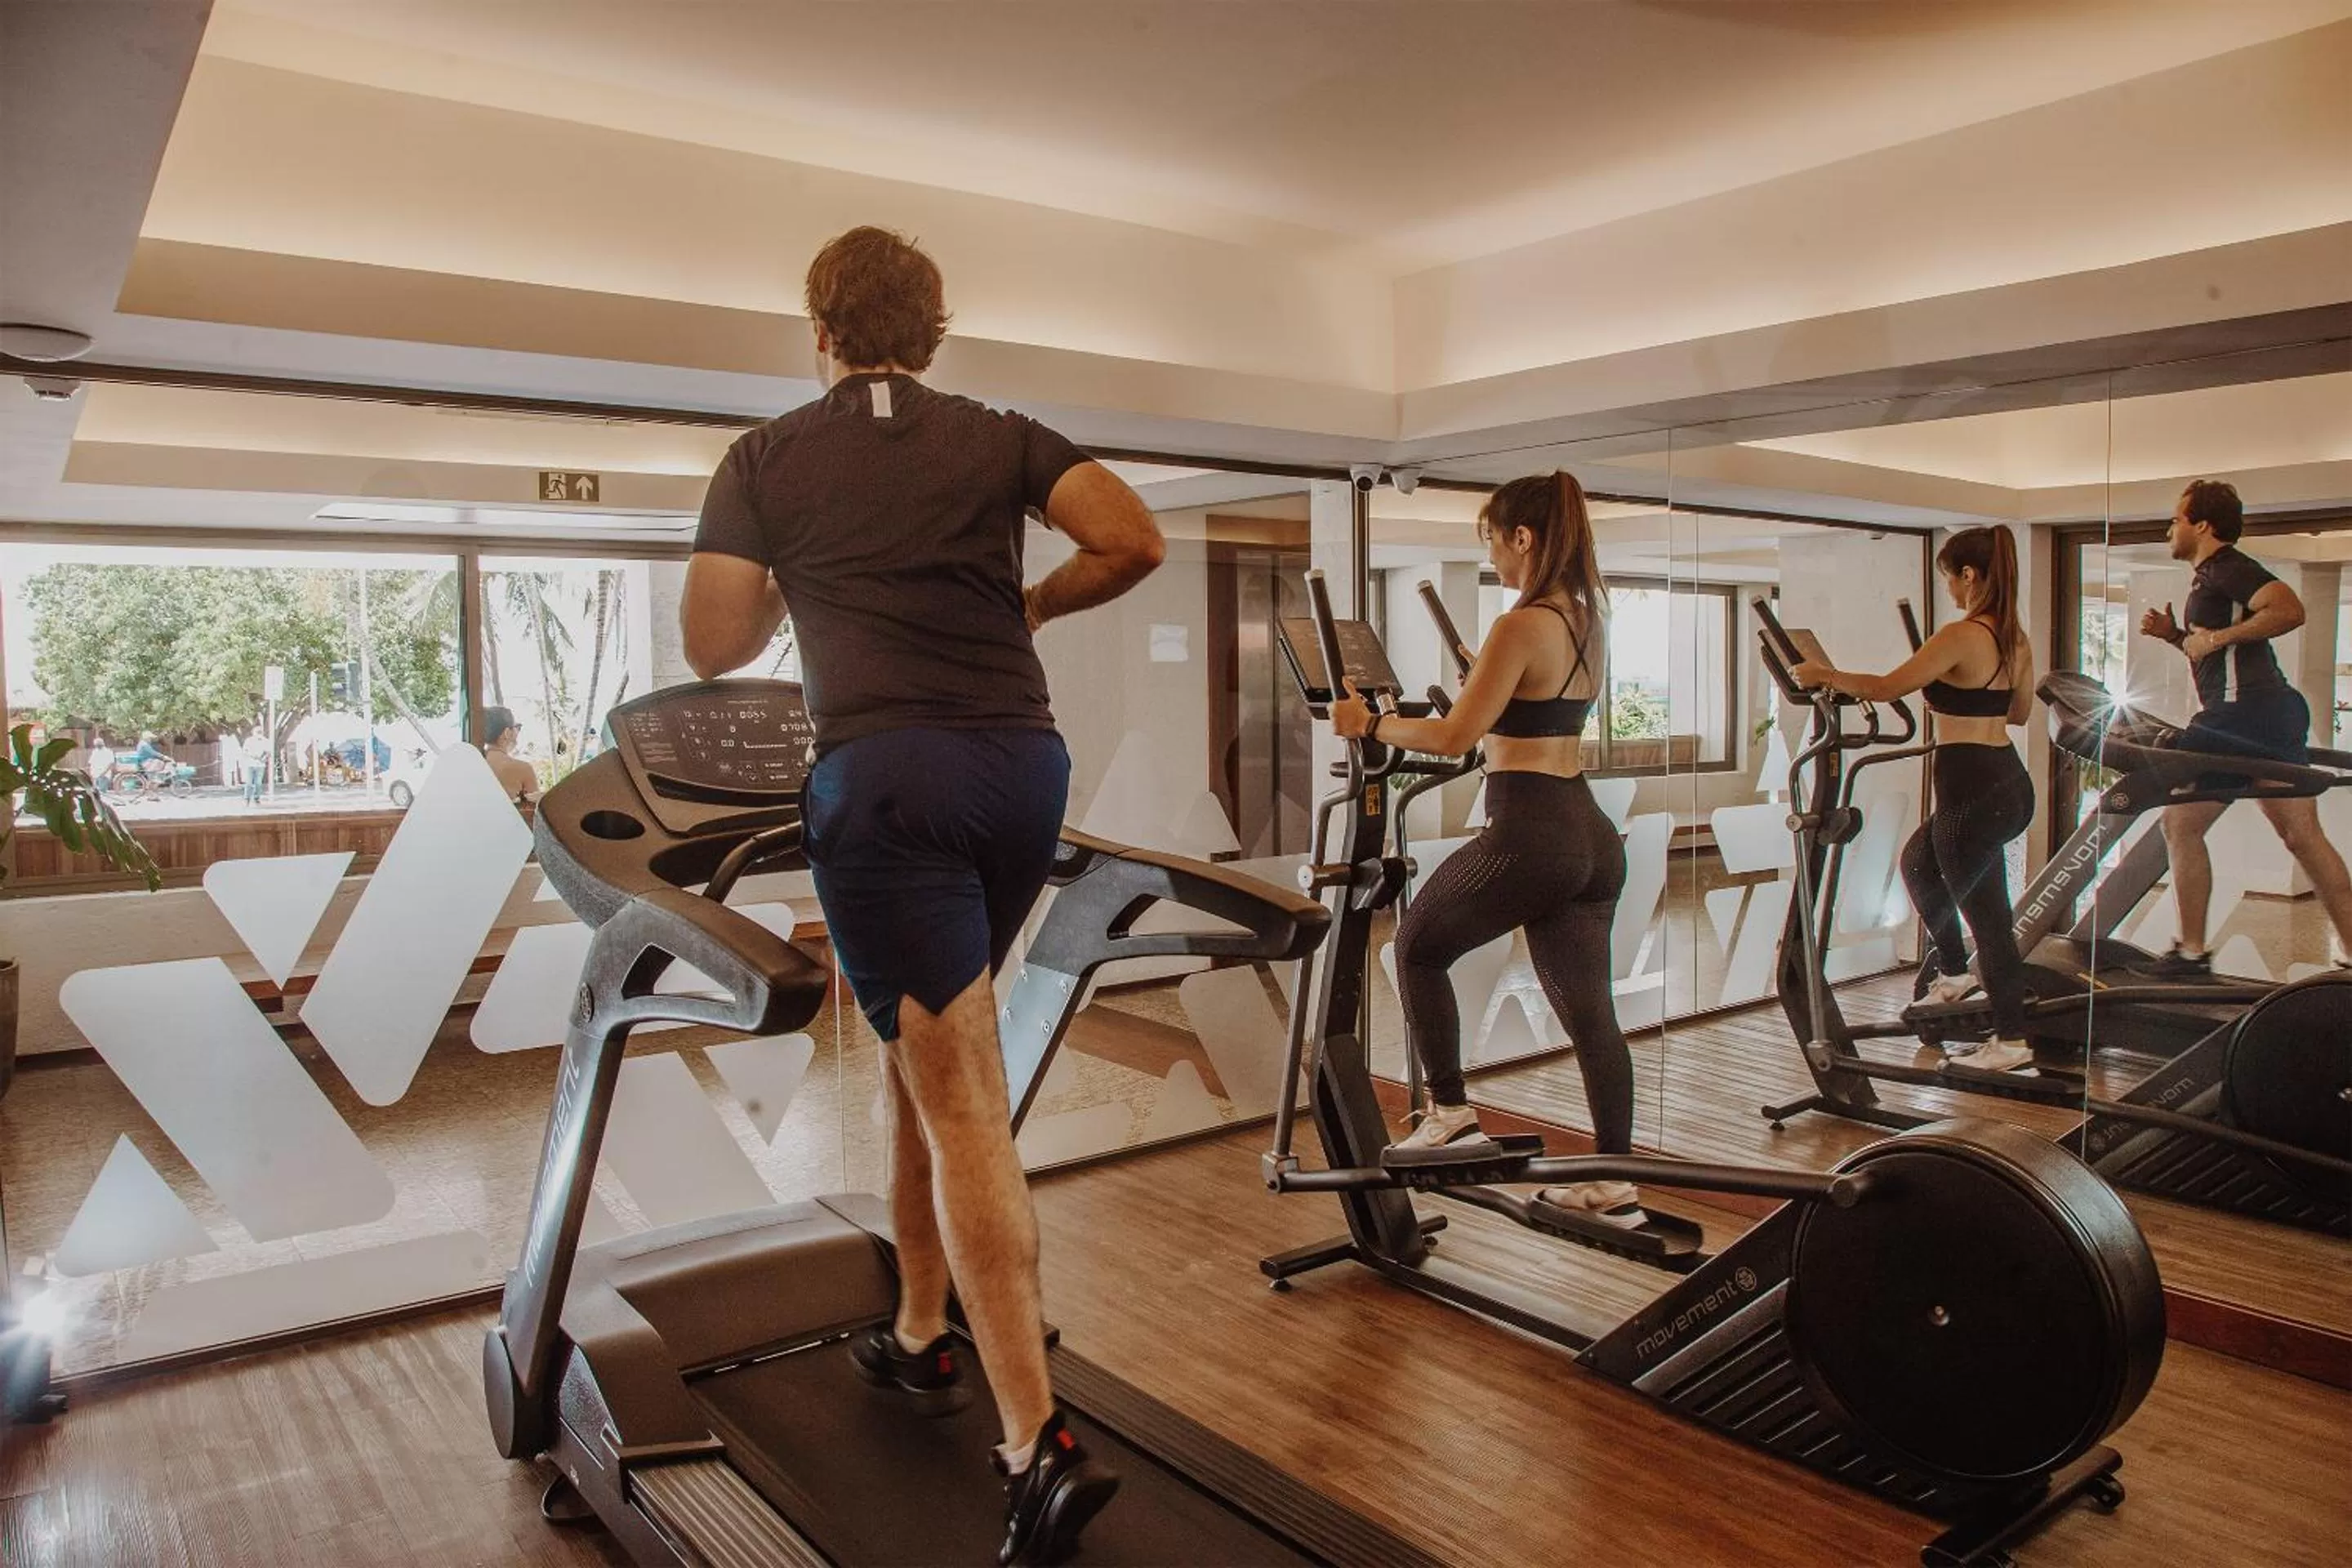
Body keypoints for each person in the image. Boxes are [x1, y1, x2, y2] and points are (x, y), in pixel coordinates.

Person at [679, 225, 1163, 1566]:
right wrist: (1033, 609)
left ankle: (1033, 1445)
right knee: (929, 1044)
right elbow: (1131, 539)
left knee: (959, 1100)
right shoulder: (1001, 434)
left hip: (884, 782)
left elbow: (713, 639)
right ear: (935, 333)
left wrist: (809, 574)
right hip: (1023, 769)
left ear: (819, 331)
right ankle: (916, 1332)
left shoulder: (765, 457)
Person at [1330, 470, 1643, 1223]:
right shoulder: (1586, 617)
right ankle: (1615, 1178)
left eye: (1494, 544)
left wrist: (1364, 725)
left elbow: (1452, 736)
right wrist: (1487, 681)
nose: (1495, 561)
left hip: (1533, 833)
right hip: (1591, 835)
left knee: (1413, 947)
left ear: (1523, 537)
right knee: (1592, 1013)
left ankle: (1450, 1114)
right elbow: (1534, 713)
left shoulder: (1520, 622)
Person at [1791, 528, 2041, 1073]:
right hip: (2006, 780)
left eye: (1950, 577)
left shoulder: (1962, 633)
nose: (1950, 589)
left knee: (1990, 921)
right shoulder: (2013, 637)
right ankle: (1953, 973)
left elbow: (1883, 688)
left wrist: (1821, 674)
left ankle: (2013, 1041)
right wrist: (1955, 700)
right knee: (1918, 865)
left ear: (1968, 575)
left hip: (1972, 789)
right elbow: (2016, 713)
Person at [2136, 479, 2352, 975]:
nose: (2170, 528)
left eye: (2176, 519)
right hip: (2270, 709)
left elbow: (2289, 609)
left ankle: (2190, 952)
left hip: (2241, 715)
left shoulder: (2226, 567)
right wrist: (2177, 637)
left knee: (2180, 822)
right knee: (2301, 836)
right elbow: (2219, 653)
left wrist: (2215, 639)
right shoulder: (2209, 579)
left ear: (2202, 525)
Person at [477, 706, 539, 808]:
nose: (517, 732)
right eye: (517, 728)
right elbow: (535, 814)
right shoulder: (522, 769)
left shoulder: (473, 764)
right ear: (507, 733)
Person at [243, 724, 270, 805]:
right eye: (257, 732)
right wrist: (252, 756)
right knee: (249, 782)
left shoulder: (265, 741)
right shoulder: (249, 741)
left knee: (258, 783)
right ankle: (246, 799)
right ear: (253, 732)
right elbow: (245, 751)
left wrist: (264, 758)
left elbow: (268, 752)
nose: (259, 733)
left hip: (260, 765)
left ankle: (256, 798)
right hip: (250, 764)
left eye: (260, 732)